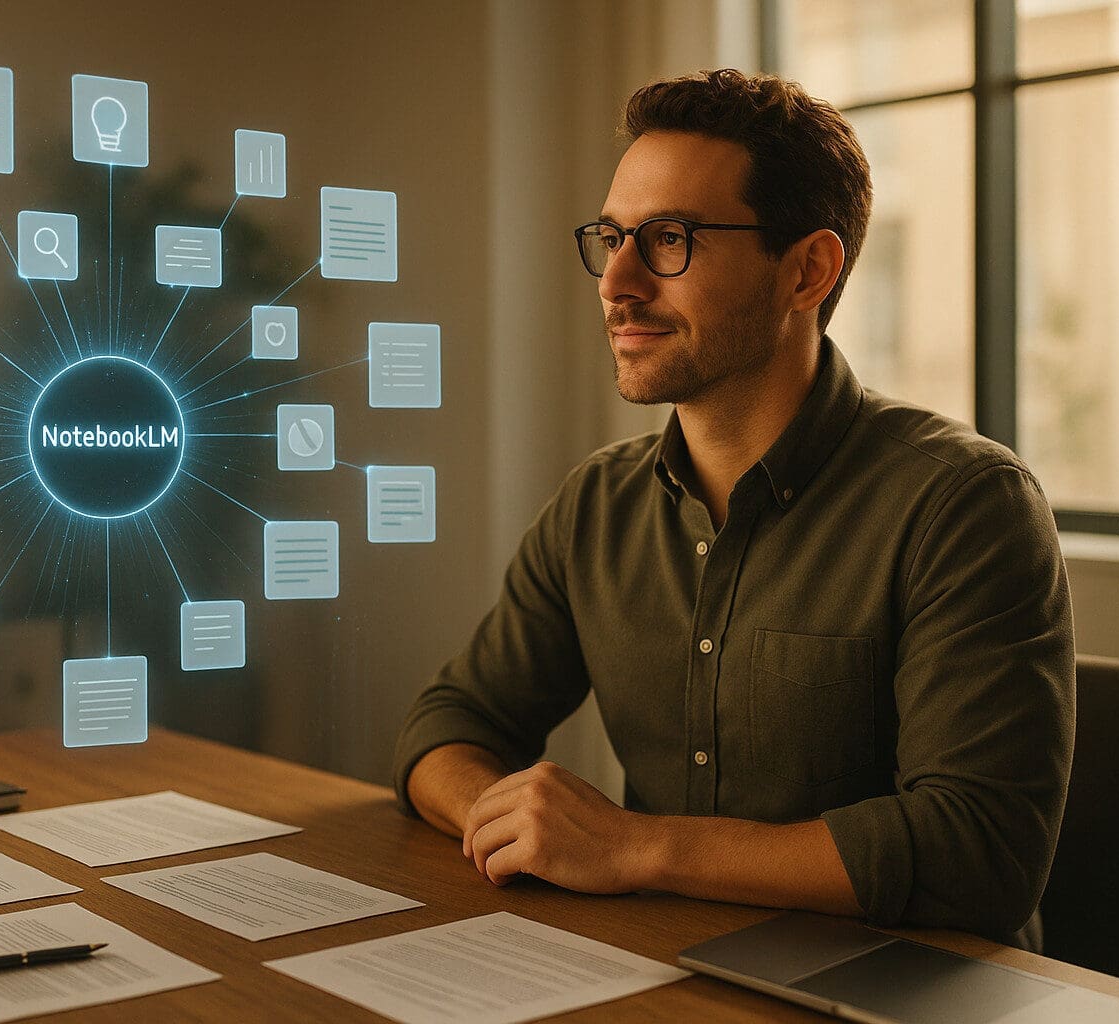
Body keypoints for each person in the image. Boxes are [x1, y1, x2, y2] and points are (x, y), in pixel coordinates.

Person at [392, 69, 1073, 949]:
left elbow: (977, 854)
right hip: (667, 971)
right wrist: (512, 819)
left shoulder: (964, 505)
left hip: (906, 988)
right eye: (612, 238)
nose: (618, 283)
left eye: (670, 239)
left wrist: (642, 848)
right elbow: (446, 727)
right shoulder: (597, 506)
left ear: (807, 271)